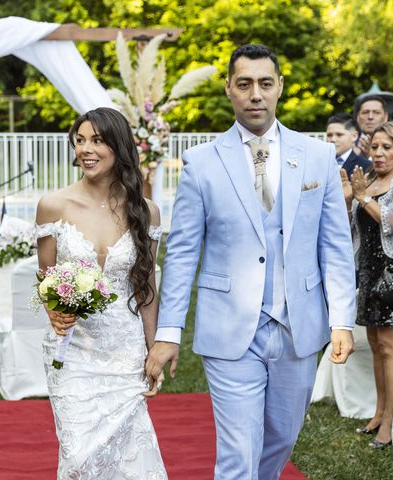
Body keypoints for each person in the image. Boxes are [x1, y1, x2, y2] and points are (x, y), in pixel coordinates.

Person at [145, 44, 356, 479]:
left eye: (264, 83)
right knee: (238, 451)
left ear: (279, 87)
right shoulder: (201, 164)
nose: (255, 94)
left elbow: (334, 244)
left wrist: (342, 320)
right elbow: (182, 253)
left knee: (281, 438)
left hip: (298, 326)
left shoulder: (317, 156)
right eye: (244, 84)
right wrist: (168, 333)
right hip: (229, 330)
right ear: (229, 90)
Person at [34, 107, 167, 479]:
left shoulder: (147, 211)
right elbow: (45, 280)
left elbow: (147, 288)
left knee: (129, 454)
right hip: (73, 350)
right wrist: (54, 310)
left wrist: (154, 347)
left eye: (97, 140)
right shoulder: (53, 206)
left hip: (125, 352)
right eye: (80, 140)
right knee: (79, 456)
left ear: (119, 147)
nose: (86, 149)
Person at [342, 121, 393, 449]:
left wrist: (362, 198)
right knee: (376, 347)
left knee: (391, 348)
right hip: (369, 272)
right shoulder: (371, 181)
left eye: (386, 147)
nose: (378, 153)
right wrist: (350, 198)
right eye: (374, 147)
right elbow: (355, 227)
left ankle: (391, 422)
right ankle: (379, 411)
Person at [326, 112, 371, 178]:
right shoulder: (319, 164)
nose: (333, 139)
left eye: (339, 135)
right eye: (329, 135)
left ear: (354, 136)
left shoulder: (366, 166)